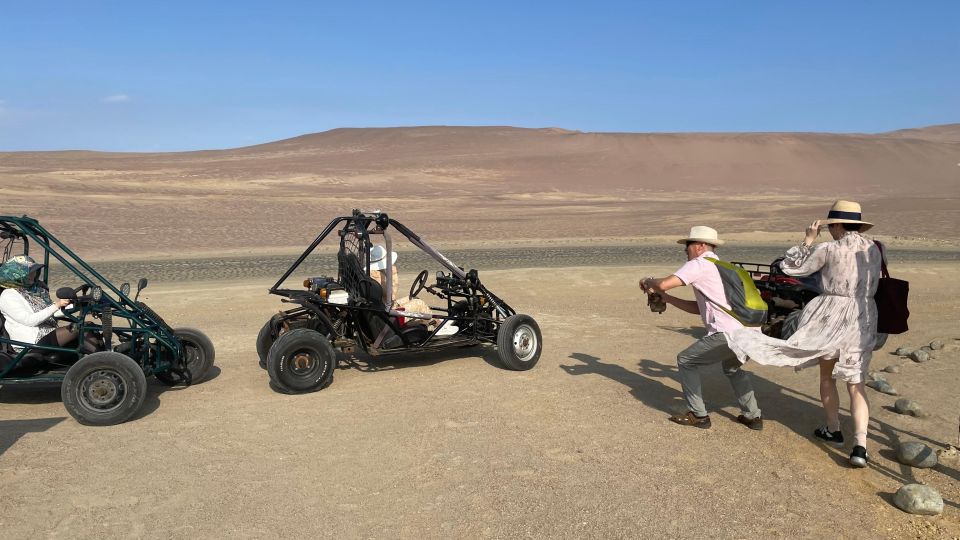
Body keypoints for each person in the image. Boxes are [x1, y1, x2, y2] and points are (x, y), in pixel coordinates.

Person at [725, 200, 882, 468]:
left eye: (831, 225)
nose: (830, 230)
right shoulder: (876, 248)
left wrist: (808, 240)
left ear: (837, 225)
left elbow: (792, 268)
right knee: (856, 384)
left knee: (826, 376)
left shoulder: (828, 248)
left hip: (831, 313)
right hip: (863, 316)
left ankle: (833, 429)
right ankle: (860, 446)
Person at [640, 226, 764, 430]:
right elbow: (699, 309)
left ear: (699, 246)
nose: (685, 252)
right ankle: (752, 416)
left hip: (728, 334)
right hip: (750, 333)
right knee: (732, 368)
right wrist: (668, 300)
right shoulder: (721, 266)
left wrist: (648, 280)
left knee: (686, 360)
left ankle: (698, 415)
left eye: (687, 247)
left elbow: (664, 284)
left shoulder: (699, 264)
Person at [0, 255, 74, 351]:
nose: (33, 274)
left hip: (49, 332)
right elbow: (30, 320)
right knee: (80, 330)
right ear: (16, 275)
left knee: (89, 328)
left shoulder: (37, 290)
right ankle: (96, 363)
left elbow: (52, 315)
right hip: (31, 341)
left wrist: (70, 306)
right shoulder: (8, 295)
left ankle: (95, 363)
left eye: (34, 271)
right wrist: (56, 305)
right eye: (29, 272)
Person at [368, 246, 434, 327]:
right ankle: (436, 324)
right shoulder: (379, 277)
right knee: (419, 303)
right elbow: (392, 294)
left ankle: (427, 325)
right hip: (389, 314)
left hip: (384, 306)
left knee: (412, 298)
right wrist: (393, 274)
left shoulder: (371, 273)